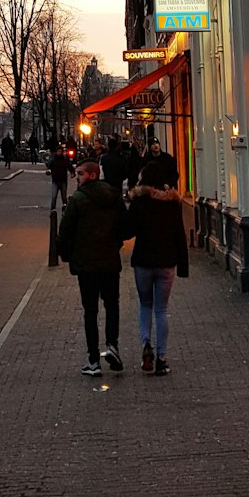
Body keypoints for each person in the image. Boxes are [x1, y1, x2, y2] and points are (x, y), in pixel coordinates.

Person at [57, 159, 126, 376]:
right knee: (112, 305)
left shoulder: (77, 200)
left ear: (92, 175)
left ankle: (93, 360)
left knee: (90, 311)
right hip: (110, 263)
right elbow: (125, 227)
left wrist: (67, 255)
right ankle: (112, 345)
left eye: (80, 173)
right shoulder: (114, 197)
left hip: (86, 265)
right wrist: (116, 242)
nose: (76, 177)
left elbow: (64, 232)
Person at [125, 160, 189, 375]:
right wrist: (183, 266)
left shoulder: (139, 201)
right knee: (161, 309)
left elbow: (128, 231)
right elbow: (179, 235)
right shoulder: (172, 203)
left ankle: (146, 346)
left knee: (145, 305)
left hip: (143, 260)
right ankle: (161, 358)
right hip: (166, 261)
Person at [47, 143, 75, 212]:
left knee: (64, 197)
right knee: (54, 197)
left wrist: (72, 173)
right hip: (55, 181)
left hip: (63, 181)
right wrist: (48, 171)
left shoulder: (65, 160)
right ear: (56, 152)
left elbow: (70, 167)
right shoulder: (53, 160)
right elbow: (49, 167)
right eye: (58, 151)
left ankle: (65, 210)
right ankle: (52, 210)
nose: (59, 153)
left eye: (60, 151)